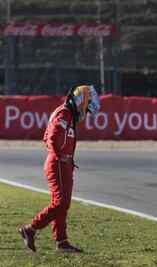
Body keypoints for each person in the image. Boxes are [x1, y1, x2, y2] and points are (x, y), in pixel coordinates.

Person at [18, 85, 100, 253]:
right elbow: (52, 136)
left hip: (64, 164)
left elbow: (46, 136)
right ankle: (30, 229)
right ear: (81, 103)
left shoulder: (68, 115)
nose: (86, 114)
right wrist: (59, 155)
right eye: (86, 108)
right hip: (58, 164)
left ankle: (61, 242)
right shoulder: (64, 113)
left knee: (62, 204)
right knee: (60, 203)